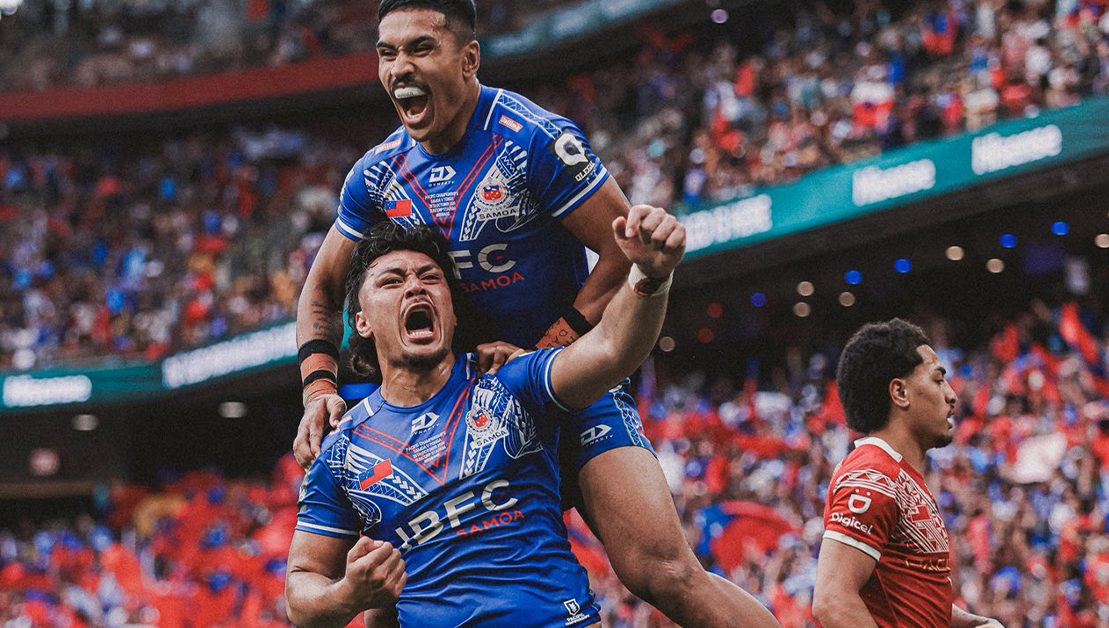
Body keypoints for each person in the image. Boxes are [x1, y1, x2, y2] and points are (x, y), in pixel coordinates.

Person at [290, 1, 779, 625]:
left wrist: (549, 345)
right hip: (457, 411)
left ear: (468, 59)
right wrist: (318, 391)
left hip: (556, 387)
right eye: (387, 54)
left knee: (661, 571)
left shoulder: (535, 139)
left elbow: (620, 251)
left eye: (419, 49)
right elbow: (319, 293)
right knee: (402, 595)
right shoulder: (377, 176)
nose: (399, 68)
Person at [285, 208, 682, 627]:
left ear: (453, 313)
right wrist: (348, 594)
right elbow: (301, 591)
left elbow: (611, 349)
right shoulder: (342, 448)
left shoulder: (511, 380)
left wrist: (649, 276)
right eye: (392, 281)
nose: (415, 287)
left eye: (430, 277)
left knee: (676, 574)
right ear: (361, 322)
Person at [813, 319, 1004, 628]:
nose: (952, 395)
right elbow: (833, 601)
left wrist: (973, 624)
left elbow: (907, 602)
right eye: (938, 380)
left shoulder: (898, 475)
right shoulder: (872, 475)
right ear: (900, 392)